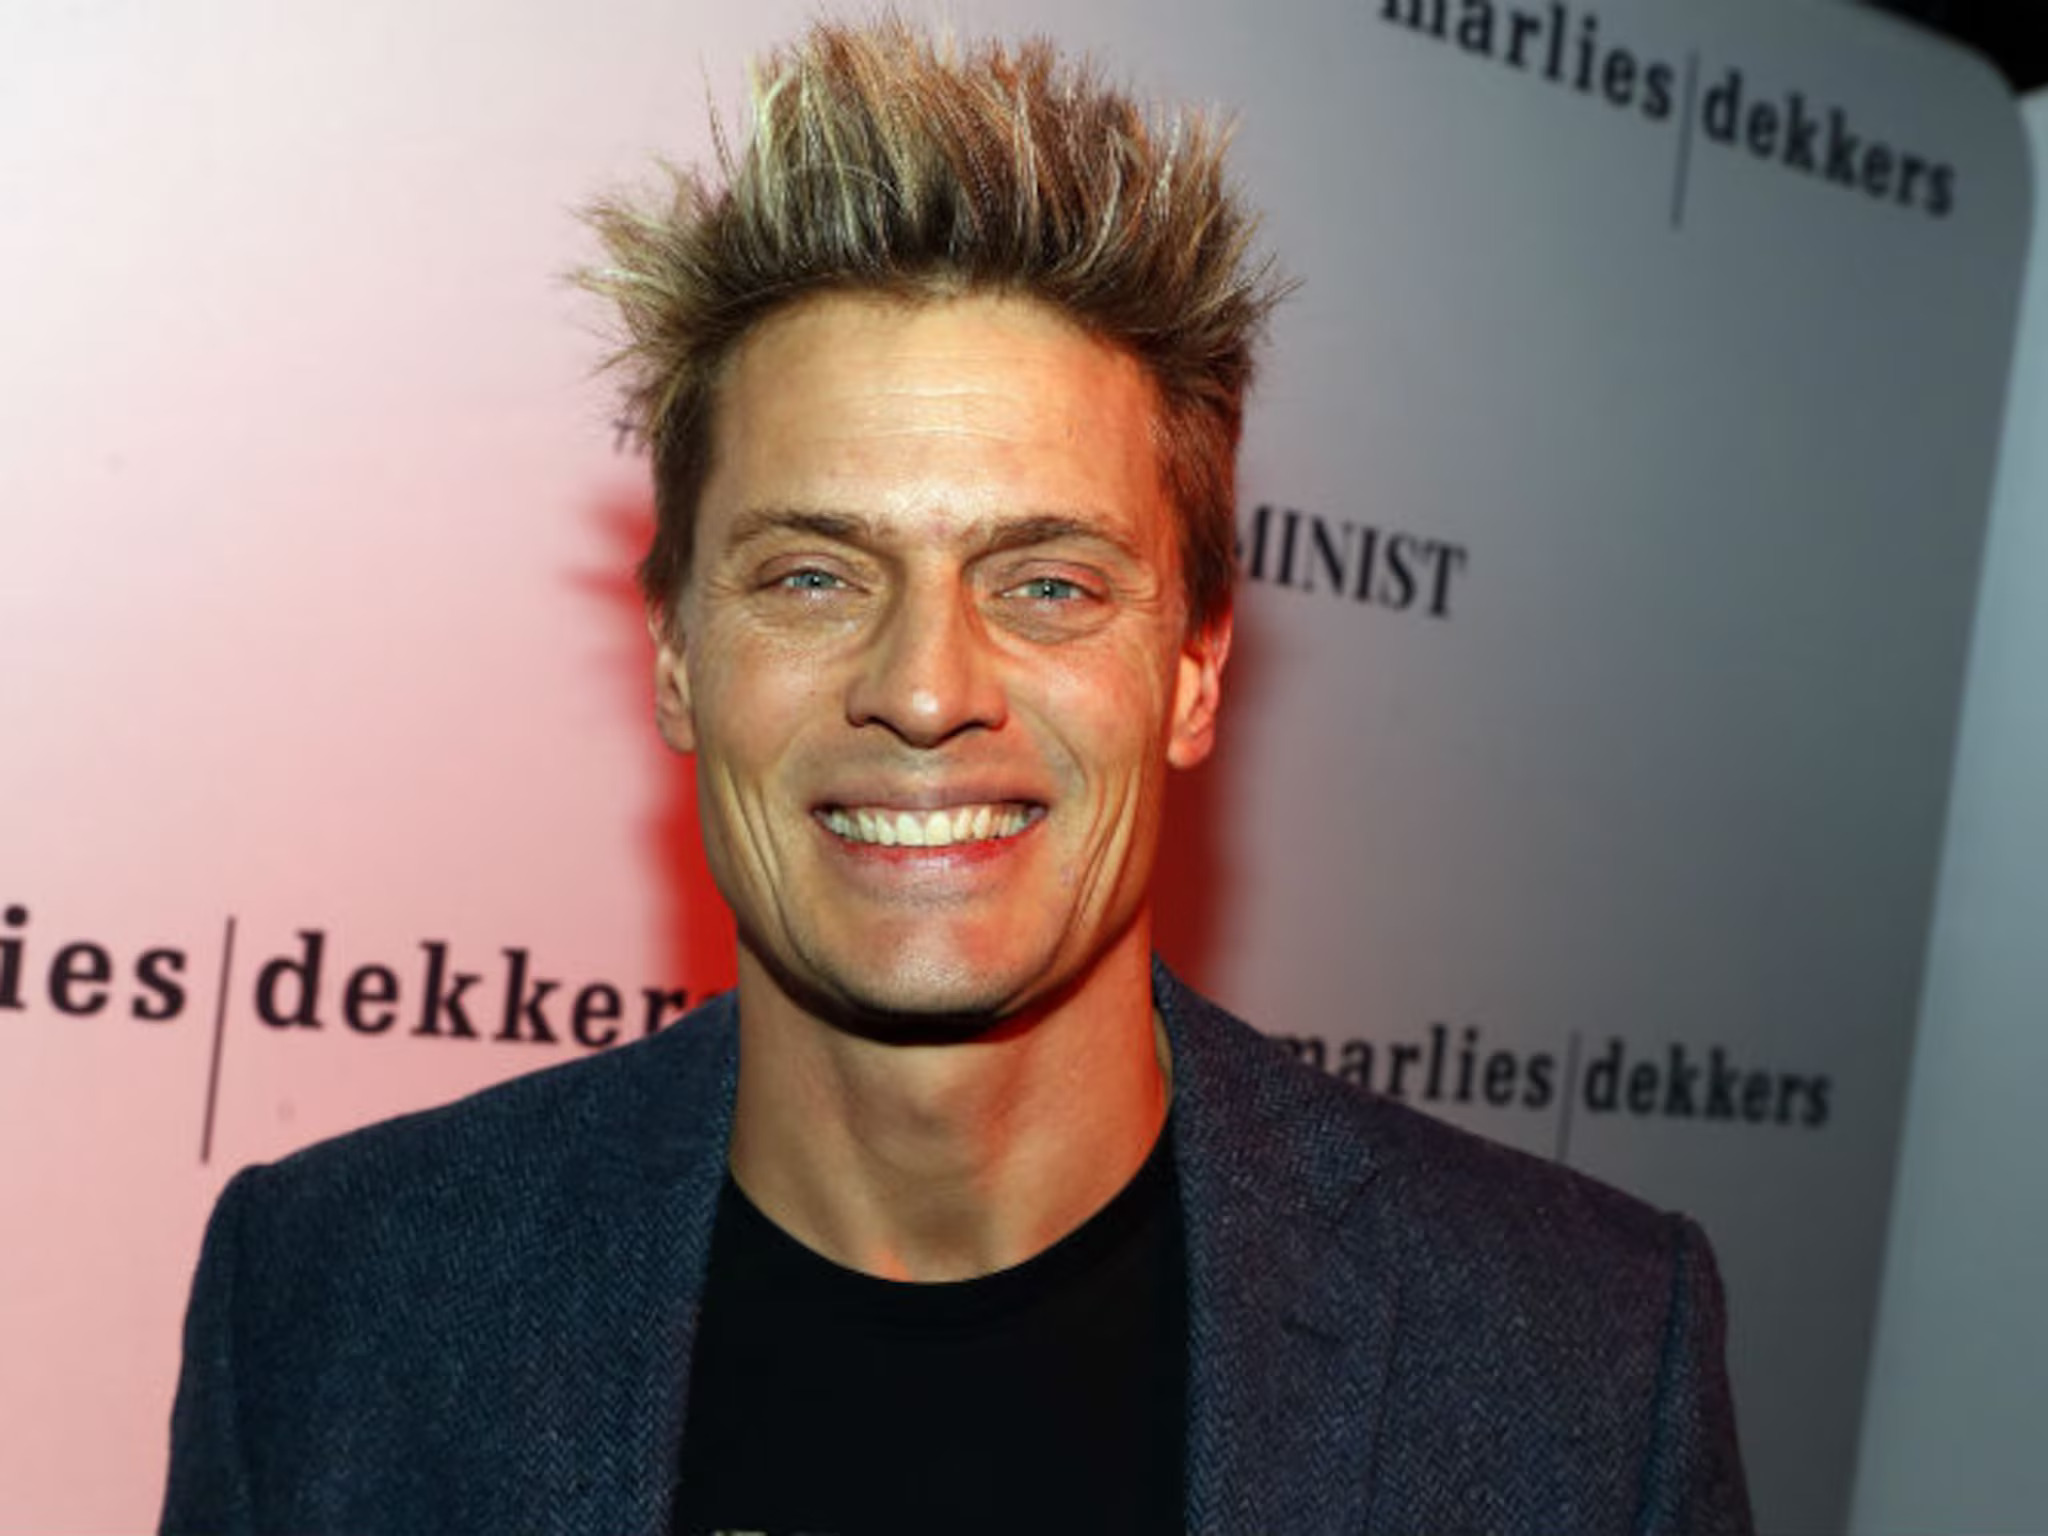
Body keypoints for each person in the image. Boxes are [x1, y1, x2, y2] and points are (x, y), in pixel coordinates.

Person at [160, 17, 1751, 1535]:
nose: (926, 690)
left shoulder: (1585, 1360)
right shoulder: (332, 1300)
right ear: (674, 658)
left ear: (1196, 670)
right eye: (812, 577)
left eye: (1048, 583)